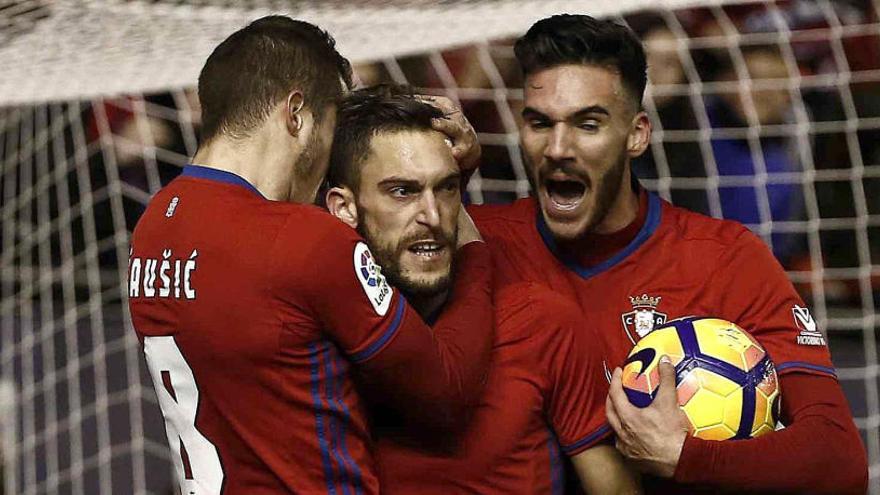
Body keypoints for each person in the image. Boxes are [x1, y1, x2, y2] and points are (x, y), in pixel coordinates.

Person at [465, 14, 867, 494]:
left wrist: (682, 458)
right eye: (539, 123)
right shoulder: (478, 243)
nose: (557, 148)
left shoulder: (726, 259)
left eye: (587, 124)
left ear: (637, 134)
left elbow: (839, 461)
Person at [128, 16, 495, 494]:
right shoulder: (305, 240)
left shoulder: (154, 225)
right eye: (331, 126)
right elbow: (444, 390)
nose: (329, 153)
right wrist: (473, 243)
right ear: (296, 114)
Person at [324, 84, 640, 495]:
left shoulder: (543, 323)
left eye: (447, 187)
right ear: (343, 207)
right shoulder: (316, 340)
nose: (433, 216)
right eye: (403, 191)